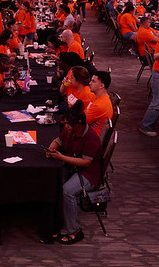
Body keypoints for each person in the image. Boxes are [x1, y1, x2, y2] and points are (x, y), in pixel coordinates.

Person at [44, 102, 103, 245]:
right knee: (55, 181)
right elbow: (58, 141)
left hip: (88, 174)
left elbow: (86, 162)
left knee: (67, 190)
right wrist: (52, 148)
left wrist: (61, 157)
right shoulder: (70, 130)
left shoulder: (91, 138)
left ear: (79, 124)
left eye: (69, 125)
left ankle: (74, 230)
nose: (66, 127)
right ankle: (58, 223)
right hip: (72, 166)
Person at [85, 71, 113, 136]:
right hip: (89, 132)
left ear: (101, 86)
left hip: (91, 137)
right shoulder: (97, 97)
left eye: (93, 81)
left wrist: (86, 122)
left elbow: (80, 122)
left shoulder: (99, 105)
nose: (89, 83)